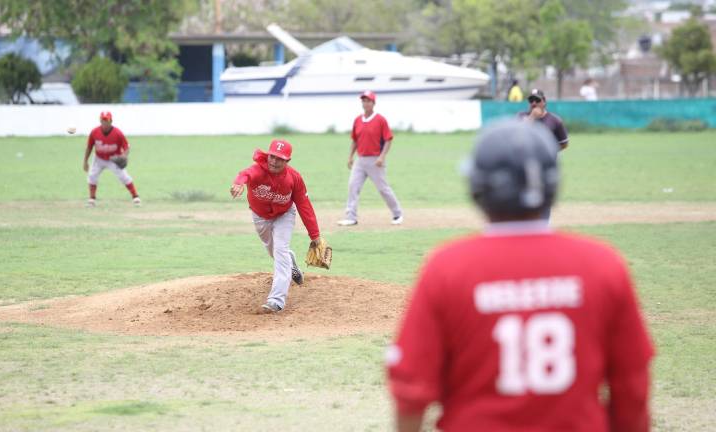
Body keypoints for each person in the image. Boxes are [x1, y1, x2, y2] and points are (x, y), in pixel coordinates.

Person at [387, 119, 654, 432]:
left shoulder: (447, 267)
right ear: (554, 184)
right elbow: (632, 389)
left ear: (478, 188)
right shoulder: (603, 264)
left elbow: (411, 394)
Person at [230, 139, 322, 313]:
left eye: (280, 159)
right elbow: (245, 174)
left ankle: (276, 300)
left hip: (285, 215)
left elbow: (304, 205)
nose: (274, 161)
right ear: (268, 155)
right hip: (260, 216)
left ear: (287, 161)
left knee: (280, 250)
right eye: (272, 156)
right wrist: (239, 182)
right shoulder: (258, 170)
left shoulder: (294, 178)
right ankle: (291, 262)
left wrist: (314, 235)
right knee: (273, 250)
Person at [337, 90, 404, 226]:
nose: (366, 103)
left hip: (375, 160)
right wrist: (350, 156)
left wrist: (382, 156)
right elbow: (355, 140)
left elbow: (388, 139)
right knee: (353, 186)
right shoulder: (357, 120)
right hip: (360, 160)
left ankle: (397, 214)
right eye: (364, 100)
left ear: (374, 103)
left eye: (368, 101)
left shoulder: (380, 120)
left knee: (383, 189)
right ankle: (351, 217)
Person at [83, 111, 141, 207]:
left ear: (111, 121)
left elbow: (127, 146)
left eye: (107, 120)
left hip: (113, 159)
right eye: (103, 120)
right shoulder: (94, 132)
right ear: (100, 121)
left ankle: (135, 197)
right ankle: (92, 199)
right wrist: (85, 161)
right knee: (92, 176)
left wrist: (124, 156)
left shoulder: (117, 133)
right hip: (99, 158)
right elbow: (89, 147)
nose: (105, 122)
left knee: (124, 177)